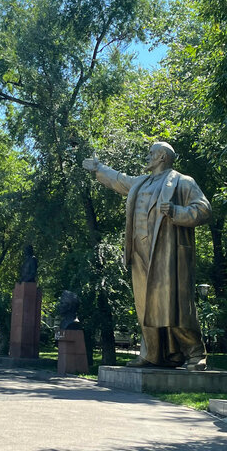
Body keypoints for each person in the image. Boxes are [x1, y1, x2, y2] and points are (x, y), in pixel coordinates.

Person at [82, 142, 212, 369]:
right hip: (140, 253)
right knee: (145, 305)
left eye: (152, 153)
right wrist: (98, 168)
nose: (148, 156)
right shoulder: (141, 182)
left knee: (175, 304)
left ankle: (195, 353)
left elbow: (203, 210)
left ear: (162, 157)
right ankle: (152, 354)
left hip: (167, 252)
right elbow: (119, 180)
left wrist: (176, 211)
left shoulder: (183, 182)